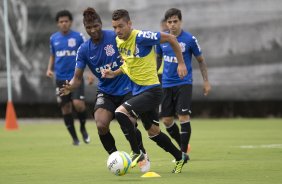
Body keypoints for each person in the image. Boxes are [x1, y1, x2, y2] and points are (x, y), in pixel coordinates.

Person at [59, 8, 150, 172]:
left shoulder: (114, 36)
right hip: (106, 91)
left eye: (95, 26)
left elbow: (133, 47)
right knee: (101, 125)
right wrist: (71, 86)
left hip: (127, 87)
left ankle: (141, 154)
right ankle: (116, 159)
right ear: (85, 28)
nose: (93, 30)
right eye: (89, 27)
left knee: (128, 122)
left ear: (100, 24)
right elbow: (77, 77)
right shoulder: (84, 49)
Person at [102, 9, 189, 173]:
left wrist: (181, 63)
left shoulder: (141, 37)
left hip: (152, 91)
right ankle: (180, 157)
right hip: (138, 92)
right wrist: (114, 73)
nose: (117, 31)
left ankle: (137, 152)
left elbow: (170, 38)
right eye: (114, 27)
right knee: (154, 133)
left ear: (129, 24)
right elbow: (129, 63)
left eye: (121, 26)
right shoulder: (119, 41)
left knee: (120, 113)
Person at [156, 8, 211, 154]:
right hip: (166, 84)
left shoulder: (189, 39)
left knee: (183, 116)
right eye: (169, 22)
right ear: (166, 23)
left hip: (183, 83)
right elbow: (158, 58)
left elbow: (201, 60)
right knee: (166, 121)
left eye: (175, 21)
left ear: (181, 22)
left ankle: (183, 154)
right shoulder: (162, 39)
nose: (172, 25)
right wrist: (154, 76)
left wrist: (206, 81)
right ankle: (182, 145)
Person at [46, 10, 92, 146]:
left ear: (70, 22)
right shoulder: (53, 38)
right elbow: (53, 55)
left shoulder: (78, 37)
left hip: (75, 78)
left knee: (78, 104)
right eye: (61, 22)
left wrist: (89, 72)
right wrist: (49, 69)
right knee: (65, 108)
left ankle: (83, 128)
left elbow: (87, 55)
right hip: (60, 79)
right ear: (57, 24)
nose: (64, 23)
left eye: (66, 21)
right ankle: (75, 138)